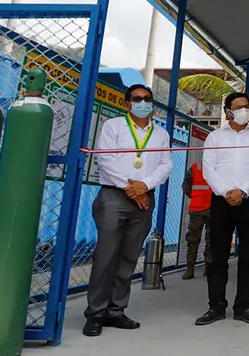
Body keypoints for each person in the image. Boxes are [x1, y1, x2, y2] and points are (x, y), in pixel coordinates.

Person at [83, 85, 172, 337]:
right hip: (115, 196)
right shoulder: (113, 126)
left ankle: (116, 311)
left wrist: (146, 186)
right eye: (137, 99)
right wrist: (131, 187)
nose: (143, 103)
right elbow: (105, 159)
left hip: (144, 199)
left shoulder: (160, 133)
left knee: (128, 258)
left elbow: (166, 165)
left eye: (147, 99)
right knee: (106, 255)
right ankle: (95, 313)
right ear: (127, 104)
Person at [195, 92, 249, 327]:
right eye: (238, 107)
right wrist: (227, 191)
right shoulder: (215, 138)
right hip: (221, 201)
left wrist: (243, 191)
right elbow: (209, 170)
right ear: (228, 111)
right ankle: (216, 306)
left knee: (248, 257)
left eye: (246, 106)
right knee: (218, 257)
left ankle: (244, 307)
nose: (244, 111)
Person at [181, 160, 212, 279]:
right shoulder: (195, 168)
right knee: (193, 240)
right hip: (197, 209)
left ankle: (208, 268)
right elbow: (186, 185)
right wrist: (194, 196)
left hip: (212, 208)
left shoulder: (219, 166)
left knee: (211, 240)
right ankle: (190, 268)